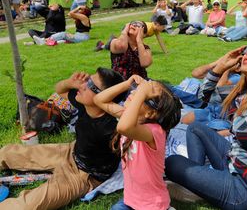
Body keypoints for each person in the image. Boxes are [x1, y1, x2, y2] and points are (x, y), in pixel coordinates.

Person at [165, 37, 247, 209]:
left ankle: (196, 183)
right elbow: (204, 97)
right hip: (234, 164)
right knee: (196, 128)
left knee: (172, 162)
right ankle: (198, 184)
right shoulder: (242, 95)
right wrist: (222, 66)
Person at [0, 68, 126, 209]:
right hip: (71, 151)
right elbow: (60, 91)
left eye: (91, 85)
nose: (83, 85)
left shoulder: (111, 128)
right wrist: (70, 82)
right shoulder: (85, 104)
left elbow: (136, 127)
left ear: (105, 98)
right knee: (7, 153)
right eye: (88, 80)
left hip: (84, 176)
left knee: (27, 205)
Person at [94, 75, 182, 210]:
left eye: (144, 94)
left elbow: (123, 128)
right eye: (137, 89)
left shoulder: (155, 131)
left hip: (152, 205)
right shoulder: (130, 117)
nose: (134, 92)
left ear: (151, 113)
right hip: (130, 200)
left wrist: (141, 92)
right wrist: (127, 84)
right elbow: (99, 99)